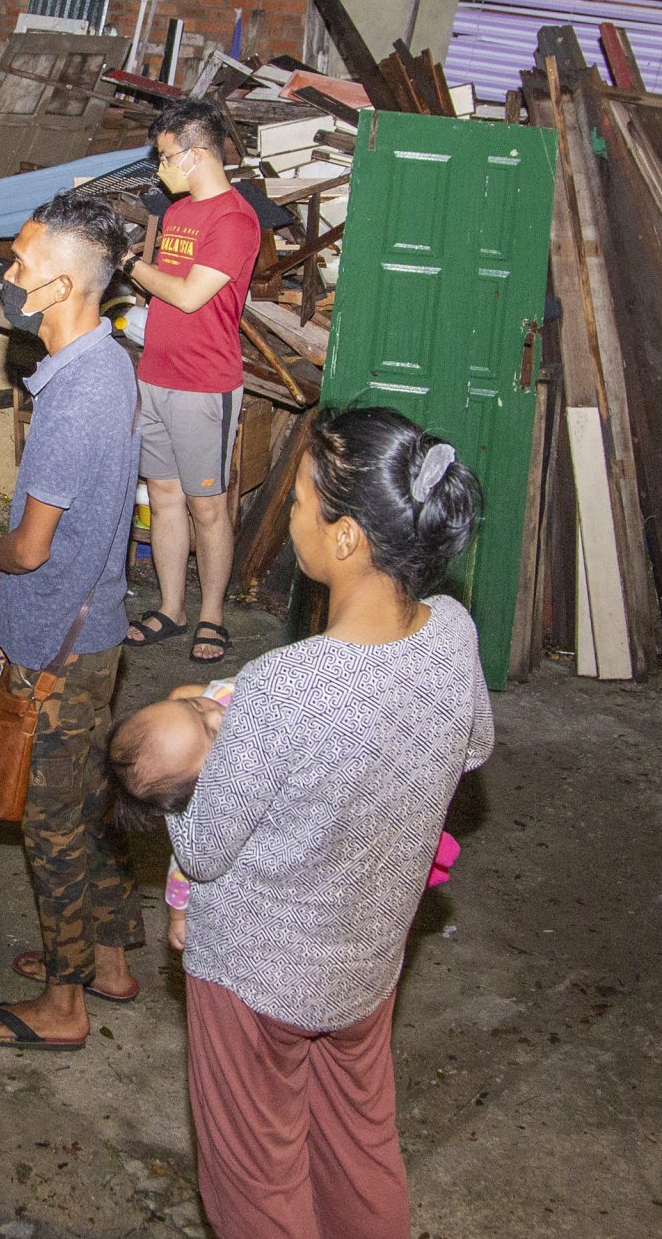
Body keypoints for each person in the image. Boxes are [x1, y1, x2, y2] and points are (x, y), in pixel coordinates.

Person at [164, 406, 492, 1239]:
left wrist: (190, 750)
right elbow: (475, 744)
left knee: (258, 1183)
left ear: (347, 538)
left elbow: (204, 851)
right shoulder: (453, 632)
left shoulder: (284, 687)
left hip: (256, 976)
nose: (294, 517)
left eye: (305, 504)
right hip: (368, 958)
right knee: (359, 1145)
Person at [0, 191, 144, 1052]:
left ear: (61, 284)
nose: (9, 275)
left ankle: (65, 1009)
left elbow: (29, 546)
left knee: (51, 826)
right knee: (85, 800)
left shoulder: (73, 401)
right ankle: (110, 958)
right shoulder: (105, 361)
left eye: (22, 263)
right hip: (86, 629)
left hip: (59, 646)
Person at [112, 682, 461, 955]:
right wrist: (177, 915)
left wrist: (192, 695)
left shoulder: (224, 699)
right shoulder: (213, 815)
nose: (217, 715)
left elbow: (242, 686)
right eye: (211, 735)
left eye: (193, 709)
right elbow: (183, 871)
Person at [124, 98, 263, 667]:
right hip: (154, 374)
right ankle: (172, 607)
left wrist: (126, 262)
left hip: (205, 385)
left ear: (196, 153)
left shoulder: (234, 220)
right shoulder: (178, 215)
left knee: (208, 505)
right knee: (164, 497)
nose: (159, 169)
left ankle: (212, 617)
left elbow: (185, 295)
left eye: (164, 157)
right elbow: (162, 288)